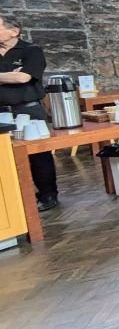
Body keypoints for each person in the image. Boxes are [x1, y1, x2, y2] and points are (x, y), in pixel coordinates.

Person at [0, 16, 59, 211]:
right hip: (1, 112)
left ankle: (48, 195)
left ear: (13, 31)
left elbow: (23, 77)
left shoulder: (31, 51)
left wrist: (16, 76)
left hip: (28, 109)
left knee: (38, 155)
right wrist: (10, 76)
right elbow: (16, 76)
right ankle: (12, 200)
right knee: (4, 157)